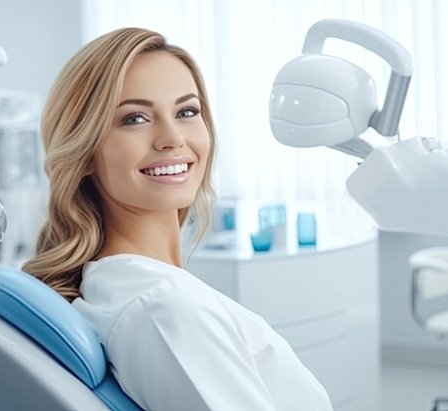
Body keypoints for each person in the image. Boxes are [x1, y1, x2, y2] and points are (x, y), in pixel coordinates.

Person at [23, 27, 333, 411]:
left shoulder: (131, 288)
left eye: (187, 112)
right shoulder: (165, 306)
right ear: (84, 152)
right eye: (134, 119)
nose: (172, 138)